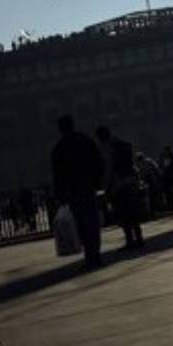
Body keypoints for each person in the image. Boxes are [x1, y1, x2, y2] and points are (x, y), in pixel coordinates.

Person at [50, 115, 105, 268]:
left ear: (60, 129)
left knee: (80, 225)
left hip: (72, 192)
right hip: (88, 188)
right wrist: (96, 181)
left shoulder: (59, 149)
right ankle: (95, 254)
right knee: (92, 223)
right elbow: (99, 162)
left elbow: (58, 175)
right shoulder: (86, 141)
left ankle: (89, 256)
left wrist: (60, 194)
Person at [96, 126, 145, 249]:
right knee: (132, 211)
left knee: (122, 213)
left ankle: (130, 240)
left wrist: (105, 185)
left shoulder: (107, 148)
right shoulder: (121, 143)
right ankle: (139, 238)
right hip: (129, 181)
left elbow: (109, 168)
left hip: (117, 184)